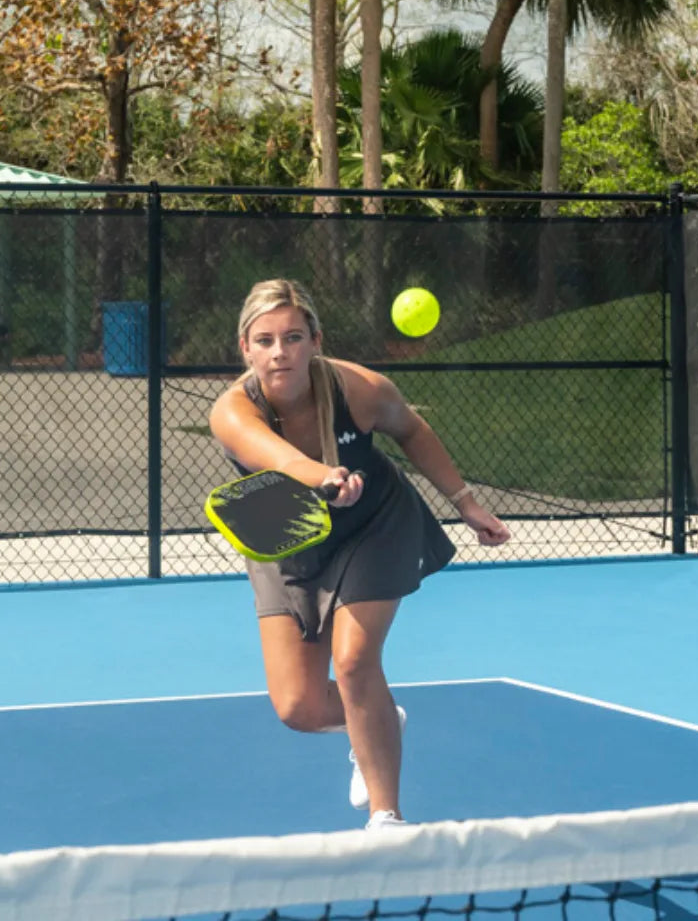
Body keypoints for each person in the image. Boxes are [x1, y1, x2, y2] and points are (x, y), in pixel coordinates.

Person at [209, 278, 510, 830]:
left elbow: (413, 431)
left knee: (353, 662)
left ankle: (386, 816)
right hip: (287, 539)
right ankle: (374, 719)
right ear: (245, 349)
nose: (281, 352)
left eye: (294, 337)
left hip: (375, 524)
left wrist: (466, 504)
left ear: (316, 340)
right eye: (267, 340)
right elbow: (275, 457)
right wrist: (323, 476)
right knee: (297, 708)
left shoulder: (362, 389)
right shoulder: (230, 412)